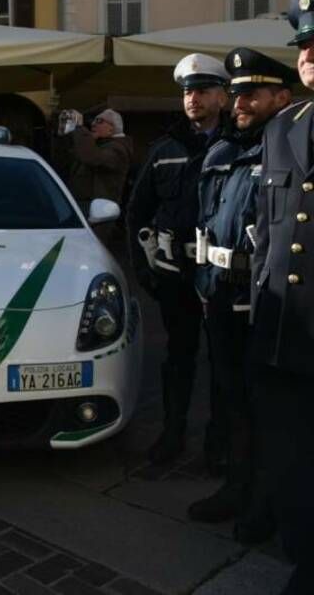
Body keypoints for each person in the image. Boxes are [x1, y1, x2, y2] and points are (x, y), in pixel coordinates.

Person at [189, 48, 294, 541]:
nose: (240, 104)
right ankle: (237, 486)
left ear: (282, 96)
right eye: (235, 95)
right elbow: (206, 224)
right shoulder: (222, 153)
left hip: (266, 303)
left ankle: (267, 503)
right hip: (220, 298)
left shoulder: (289, 151)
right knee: (231, 400)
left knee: (269, 409)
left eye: (251, 94)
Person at [126, 53, 230, 468]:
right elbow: (137, 211)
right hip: (175, 274)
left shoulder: (239, 145)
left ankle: (218, 443)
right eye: (188, 92)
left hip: (224, 276)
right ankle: (172, 434)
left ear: (223, 96)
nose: (193, 99)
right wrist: (143, 269)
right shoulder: (165, 148)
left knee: (224, 361)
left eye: (203, 91)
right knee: (179, 356)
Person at [249, 0, 314, 595]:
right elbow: (272, 236)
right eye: (304, 44)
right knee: (292, 454)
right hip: (285, 333)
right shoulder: (282, 128)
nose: (310, 55)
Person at [62, 108, 133, 243]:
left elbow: (92, 158)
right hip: (87, 210)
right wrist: (69, 130)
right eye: (93, 121)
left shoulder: (117, 149)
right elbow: (70, 156)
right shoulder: (98, 145)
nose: (93, 124)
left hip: (100, 215)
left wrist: (80, 128)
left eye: (99, 121)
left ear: (112, 129)